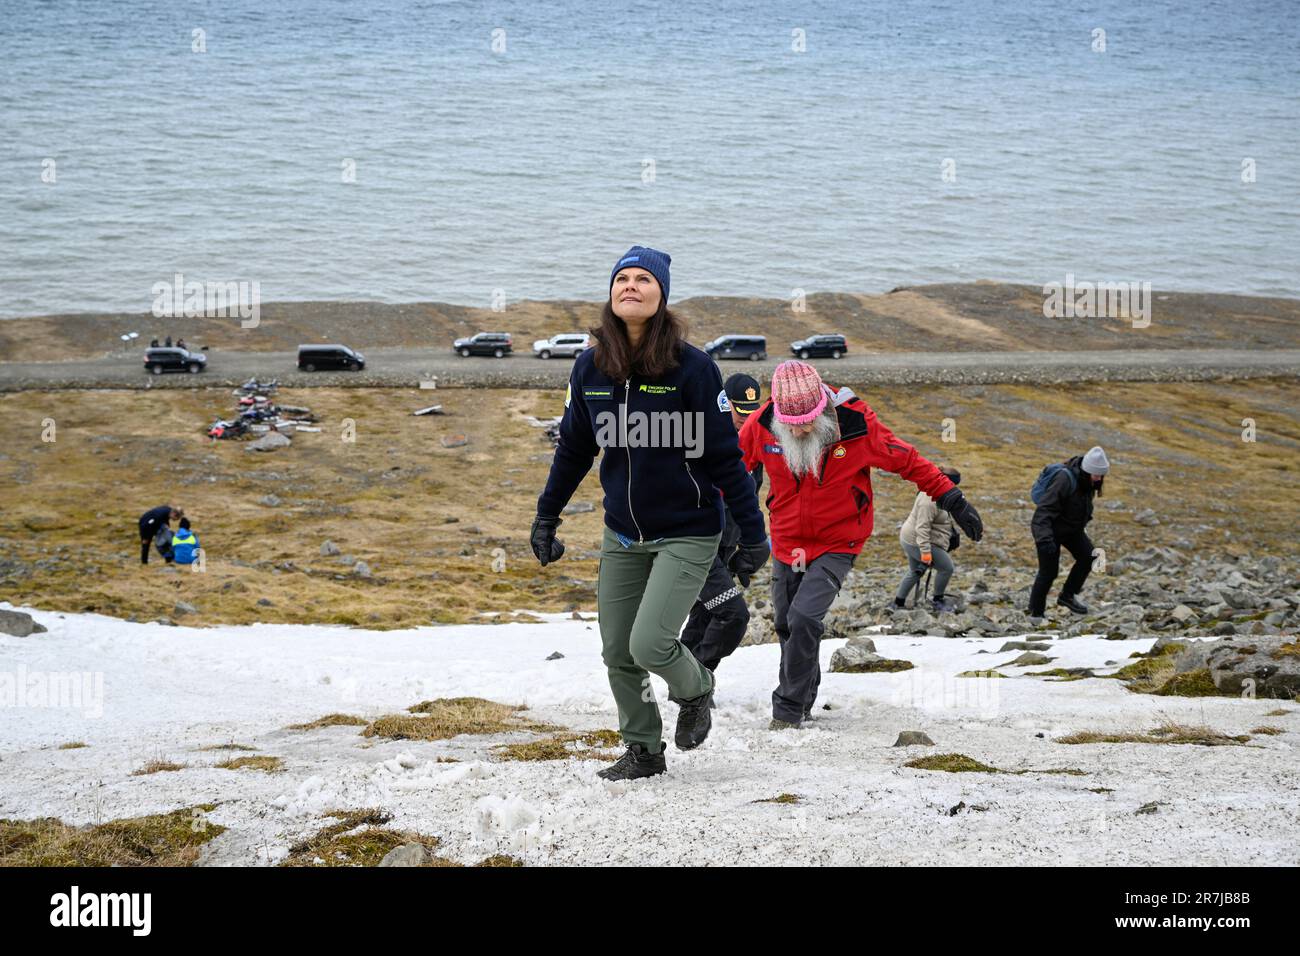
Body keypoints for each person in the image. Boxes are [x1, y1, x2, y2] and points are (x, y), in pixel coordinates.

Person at [530, 246, 770, 780]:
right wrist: (547, 517)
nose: (631, 286)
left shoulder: (694, 368)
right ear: (611, 294)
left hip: (687, 532)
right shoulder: (589, 367)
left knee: (651, 643)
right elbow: (573, 449)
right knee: (618, 650)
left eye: (643, 279)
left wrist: (754, 533)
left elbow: (724, 457)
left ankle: (697, 689)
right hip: (622, 536)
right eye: (622, 279)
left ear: (661, 295)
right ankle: (644, 750)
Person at [739, 361, 983, 730]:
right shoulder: (762, 425)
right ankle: (804, 696)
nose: (803, 428)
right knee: (788, 623)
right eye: (793, 423)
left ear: (822, 406)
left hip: (840, 539)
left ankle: (787, 710)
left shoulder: (856, 424)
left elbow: (909, 461)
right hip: (787, 539)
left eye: (809, 419)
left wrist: (952, 499)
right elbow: (727, 467)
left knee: (805, 617)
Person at [679, 373, 766, 678]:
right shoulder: (700, 441)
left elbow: (749, 501)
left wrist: (750, 545)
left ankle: (687, 686)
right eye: (740, 411)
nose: (745, 419)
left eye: (751, 412)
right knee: (732, 614)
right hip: (697, 546)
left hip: (726, 548)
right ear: (724, 403)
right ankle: (696, 679)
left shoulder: (754, 448)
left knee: (704, 616)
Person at [1027, 446, 1109, 622]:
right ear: (1086, 470)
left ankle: (1067, 596)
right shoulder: (1064, 479)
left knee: (1090, 556)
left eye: (1101, 475)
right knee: (1048, 572)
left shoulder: (1089, 481)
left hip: (1071, 530)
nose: (1099, 478)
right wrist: (1044, 539)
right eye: (1096, 474)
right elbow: (1044, 511)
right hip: (1049, 531)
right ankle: (1035, 613)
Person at [894, 465, 964, 613]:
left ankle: (897, 603)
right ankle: (937, 601)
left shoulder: (938, 492)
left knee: (915, 571)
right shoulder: (930, 501)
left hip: (911, 537)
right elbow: (922, 528)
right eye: (953, 485)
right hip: (916, 540)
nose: (954, 488)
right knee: (946, 568)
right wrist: (925, 553)